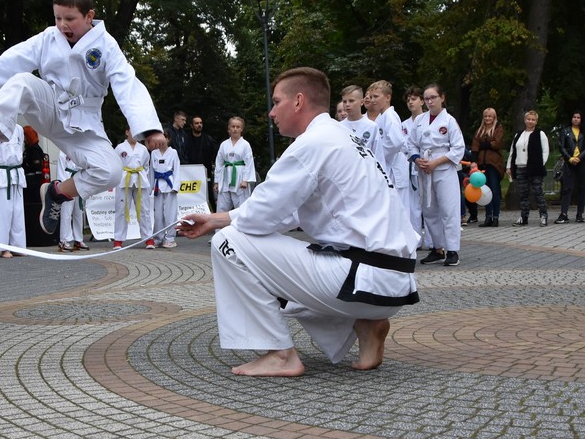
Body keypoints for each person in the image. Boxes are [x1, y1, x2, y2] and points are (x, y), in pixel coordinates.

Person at [177, 67, 418, 377]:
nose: (271, 112)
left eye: (277, 102)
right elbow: (286, 212)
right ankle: (365, 325)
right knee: (253, 248)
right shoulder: (344, 136)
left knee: (229, 242)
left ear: (299, 101)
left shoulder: (312, 144)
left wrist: (217, 223)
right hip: (392, 284)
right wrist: (213, 218)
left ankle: (280, 354)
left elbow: (262, 216)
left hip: (361, 280)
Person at [0, 0, 165, 237]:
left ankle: (56, 193)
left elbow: (126, 85)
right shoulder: (47, 39)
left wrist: (150, 130)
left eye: (70, 19)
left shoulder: (106, 46)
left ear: (89, 16)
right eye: (58, 18)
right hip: (49, 107)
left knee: (111, 172)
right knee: (21, 81)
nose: (63, 25)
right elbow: (12, 60)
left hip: (84, 124)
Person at [414, 84, 464, 266]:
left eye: (433, 97)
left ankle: (452, 250)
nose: (429, 101)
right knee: (428, 209)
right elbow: (411, 144)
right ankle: (437, 248)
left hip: (443, 168)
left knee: (449, 209)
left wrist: (436, 162)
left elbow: (459, 148)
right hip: (424, 167)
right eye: (426, 98)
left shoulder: (449, 121)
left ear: (442, 97)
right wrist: (416, 159)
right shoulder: (419, 120)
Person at [507, 110, 551, 227]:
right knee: (523, 194)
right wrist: (509, 166)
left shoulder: (540, 134)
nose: (530, 121)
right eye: (528, 119)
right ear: (525, 120)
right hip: (520, 167)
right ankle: (524, 217)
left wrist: (541, 164)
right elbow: (513, 151)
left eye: (533, 119)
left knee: (538, 192)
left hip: (535, 168)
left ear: (536, 121)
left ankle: (543, 215)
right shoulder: (518, 134)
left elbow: (545, 150)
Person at [0, 118, 26, 258]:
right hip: (2, 172)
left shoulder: (19, 129)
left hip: (16, 172)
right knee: (4, 211)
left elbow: (20, 147)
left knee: (18, 211)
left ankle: (18, 245)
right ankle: (4, 247)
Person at [112, 129, 153, 248]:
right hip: (124, 179)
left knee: (144, 210)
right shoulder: (120, 148)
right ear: (127, 132)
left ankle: (148, 238)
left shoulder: (143, 149)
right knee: (121, 209)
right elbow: (115, 164)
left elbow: (146, 166)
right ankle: (118, 239)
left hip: (140, 180)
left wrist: (140, 175)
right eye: (132, 131)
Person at [397, 88, 428, 249]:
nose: (410, 102)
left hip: (428, 166)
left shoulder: (429, 121)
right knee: (413, 206)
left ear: (422, 101)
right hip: (410, 168)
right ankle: (416, 239)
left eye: (414, 98)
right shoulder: (403, 125)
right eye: (408, 99)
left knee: (429, 205)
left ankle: (433, 241)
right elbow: (404, 146)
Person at [365, 80, 406, 183]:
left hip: (394, 168)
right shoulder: (381, 117)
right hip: (386, 165)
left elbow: (396, 142)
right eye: (371, 97)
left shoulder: (390, 116)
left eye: (376, 96)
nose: (373, 100)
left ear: (387, 97)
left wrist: (377, 155)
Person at [471, 108, 505, 227]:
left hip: (494, 164)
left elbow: (498, 143)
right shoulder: (479, 130)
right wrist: (474, 161)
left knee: (494, 190)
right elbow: (475, 146)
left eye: (490, 116)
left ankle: (495, 217)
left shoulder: (498, 128)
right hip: (481, 164)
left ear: (494, 117)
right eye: (485, 116)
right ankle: (488, 217)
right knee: (485, 191)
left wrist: (484, 145)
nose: (487, 118)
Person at [556, 111, 585, 223]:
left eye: (578, 117)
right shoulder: (565, 131)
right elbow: (561, 146)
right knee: (567, 188)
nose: (576, 119)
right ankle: (563, 213)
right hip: (569, 162)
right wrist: (570, 158)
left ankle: (580, 214)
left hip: (583, 162)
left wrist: (580, 157)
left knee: (582, 187)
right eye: (574, 117)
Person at [214, 116, 255, 212]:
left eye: (238, 127)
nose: (235, 129)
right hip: (225, 176)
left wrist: (245, 180)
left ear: (242, 129)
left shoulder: (245, 144)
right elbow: (219, 163)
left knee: (242, 207)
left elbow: (249, 163)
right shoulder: (224, 144)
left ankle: (243, 226)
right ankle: (220, 227)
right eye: (233, 126)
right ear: (229, 128)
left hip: (240, 177)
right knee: (222, 208)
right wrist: (217, 181)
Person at [150, 132, 180, 248]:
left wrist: (175, 186)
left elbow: (177, 170)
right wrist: (150, 187)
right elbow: (152, 171)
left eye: (164, 138)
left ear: (168, 139)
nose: (162, 141)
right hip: (158, 185)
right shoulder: (154, 153)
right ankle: (157, 238)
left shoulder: (173, 152)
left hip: (169, 185)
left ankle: (170, 238)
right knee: (158, 214)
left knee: (170, 213)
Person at [57, 151, 89, 251]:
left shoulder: (80, 151)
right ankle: (64, 240)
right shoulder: (63, 152)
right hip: (67, 182)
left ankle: (78, 239)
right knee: (66, 213)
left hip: (79, 182)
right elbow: (61, 172)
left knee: (78, 213)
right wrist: (64, 187)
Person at [188, 115, 219, 210]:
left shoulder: (208, 139)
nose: (199, 125)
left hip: (206, 173)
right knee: (191, 197)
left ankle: (216, 215)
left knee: (210, 196)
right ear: (191, 125)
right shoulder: (186, 139)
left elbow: (215, 156)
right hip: (190, 174)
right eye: (196, 123)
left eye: (201, 123)